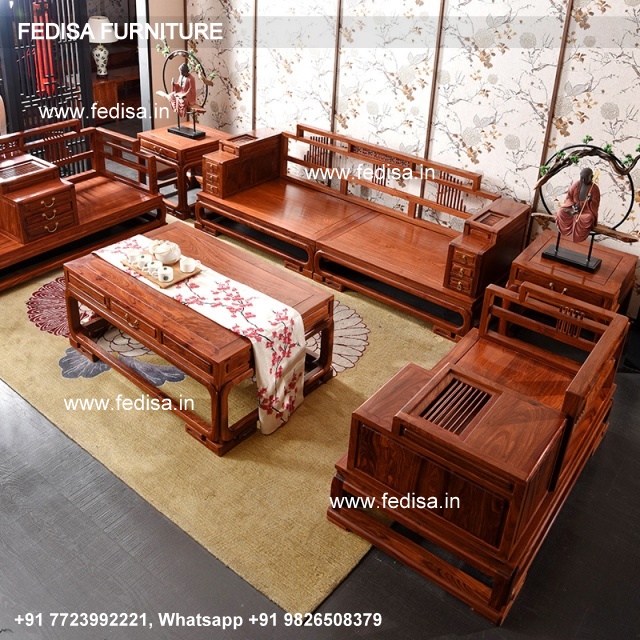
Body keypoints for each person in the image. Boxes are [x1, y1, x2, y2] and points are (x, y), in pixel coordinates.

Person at [555, 167, 600, 243]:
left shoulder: (594, 188)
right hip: (573, 207)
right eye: (581, 178)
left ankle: (574, 215)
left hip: (585, 211)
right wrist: (572, 205)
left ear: (591, 177)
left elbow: (596, 203)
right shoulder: (576, 184)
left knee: (588, 218)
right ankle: (573, 214)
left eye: (585, 178)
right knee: (561, 212)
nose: (583, 180)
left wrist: (590, 200)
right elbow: (569, 197)